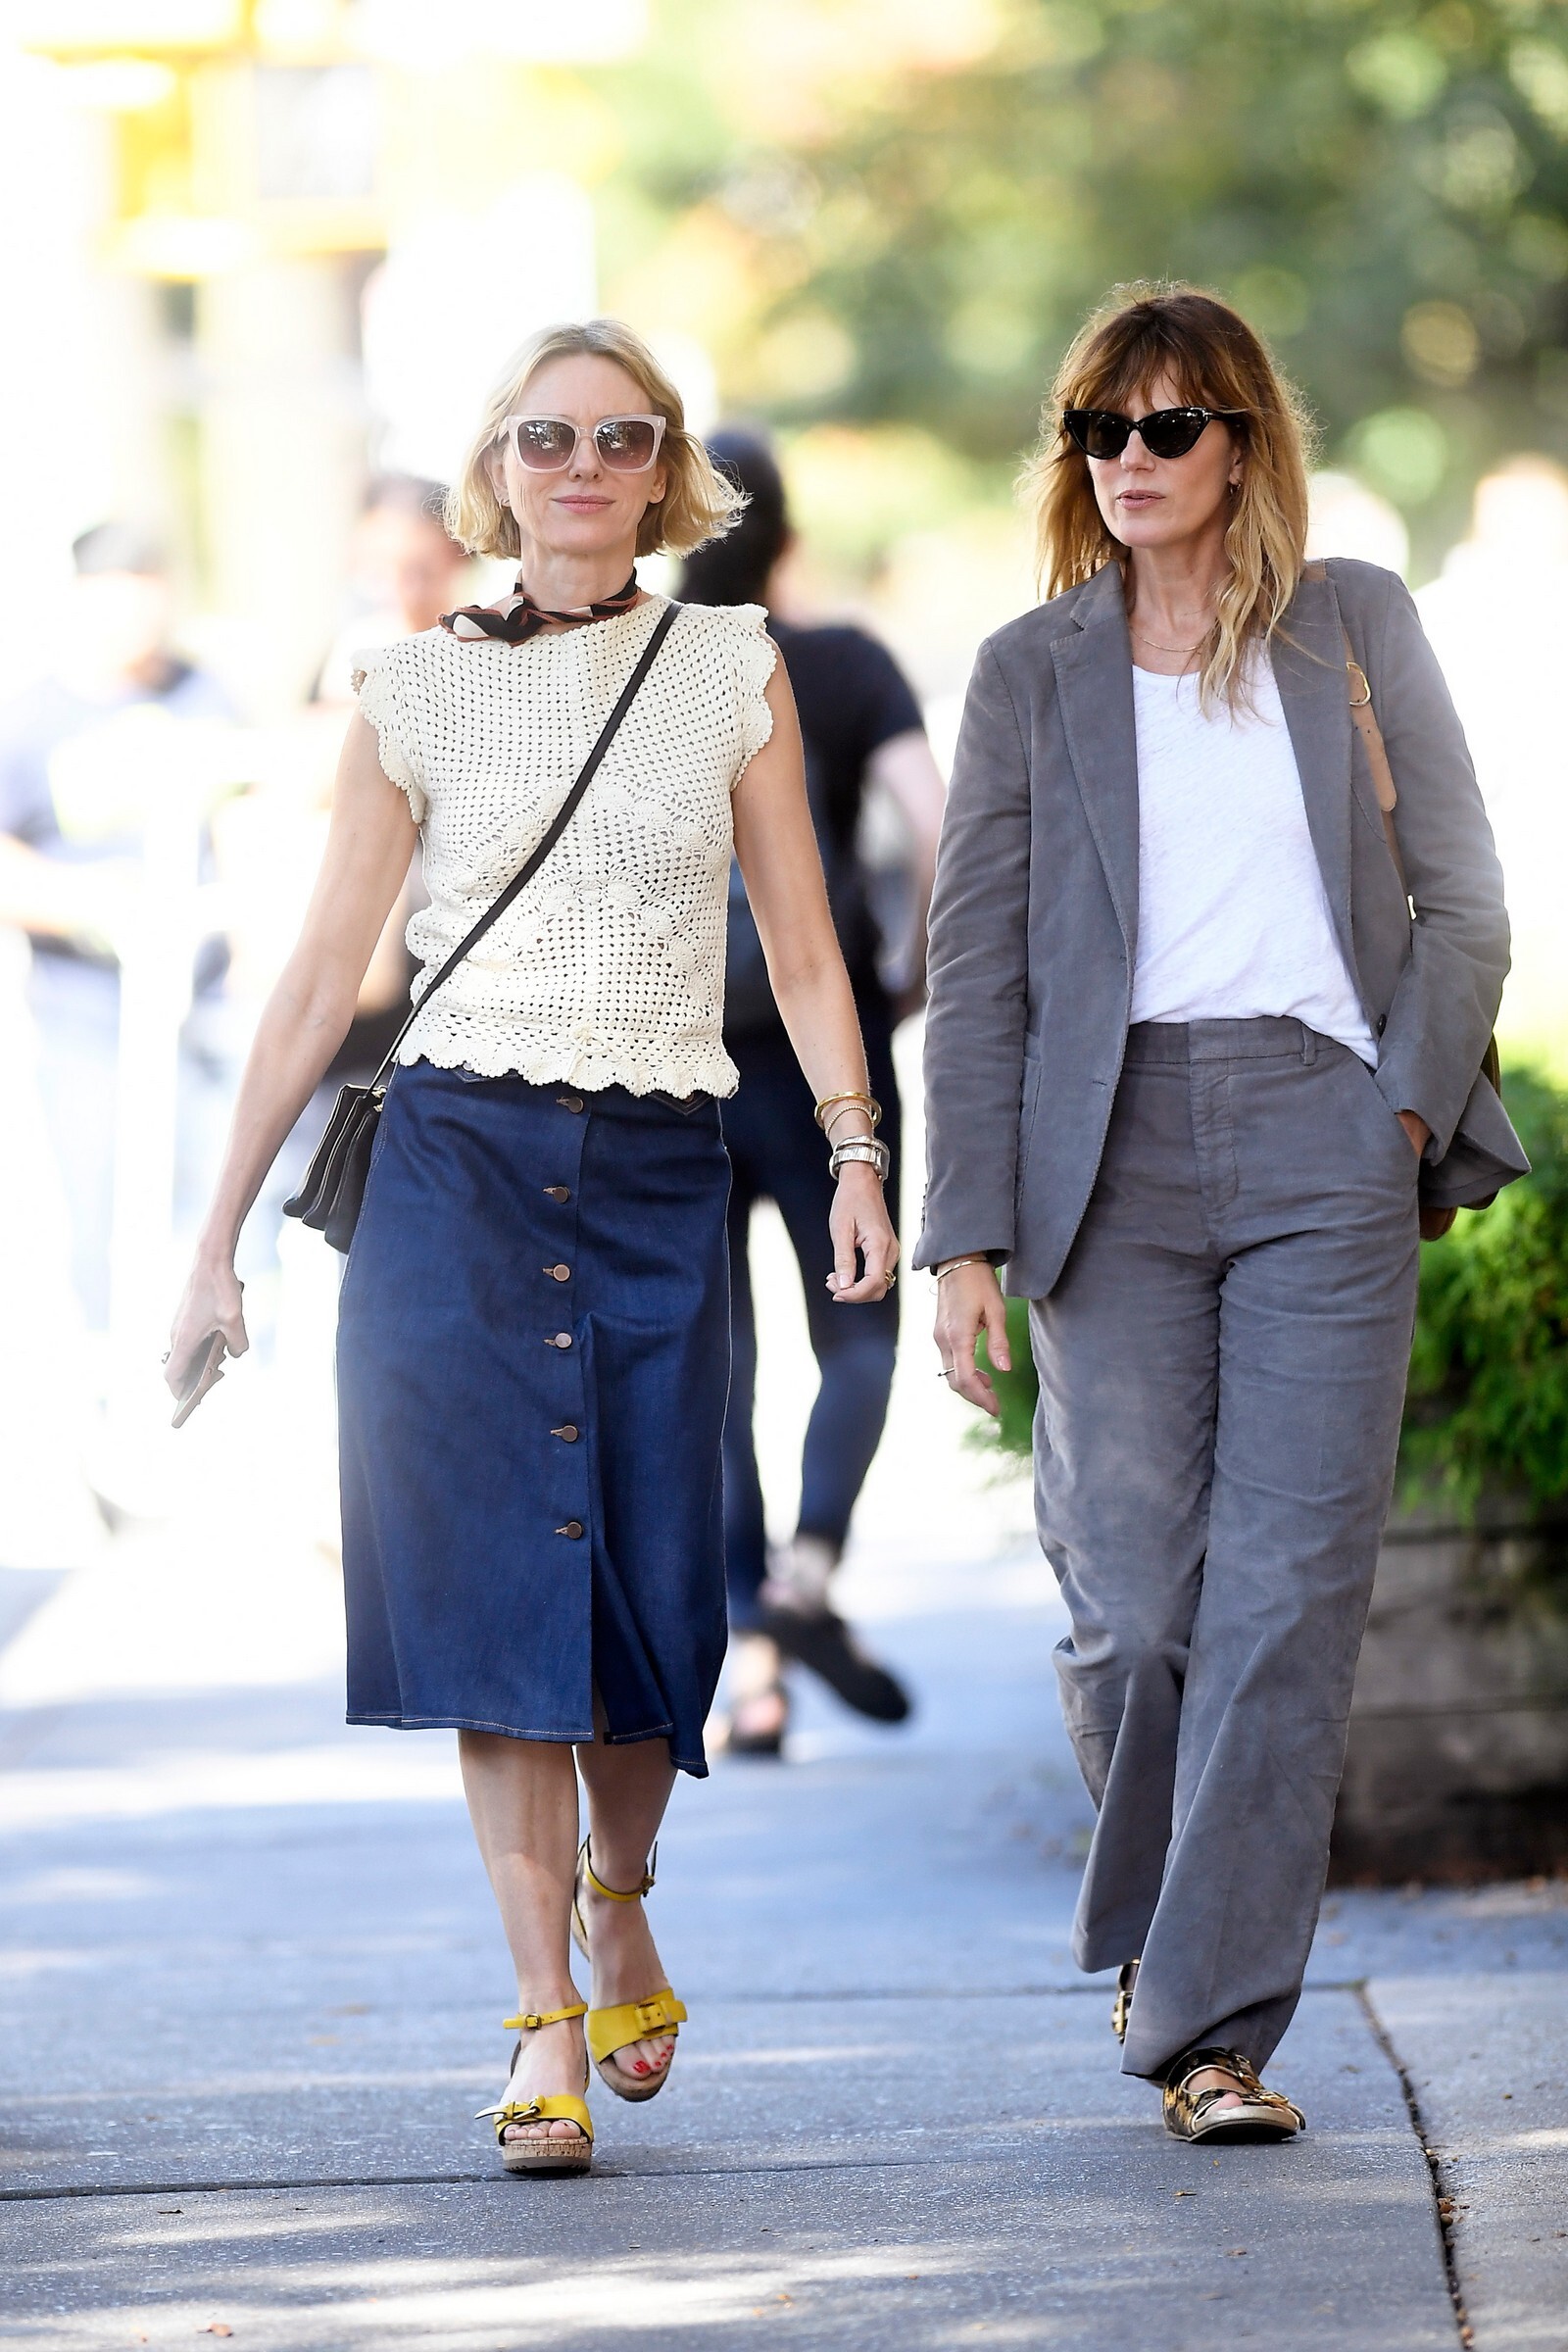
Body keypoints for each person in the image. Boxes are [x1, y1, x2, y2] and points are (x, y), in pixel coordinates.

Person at [165, 318, 899, 2176]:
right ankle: (541, 2012)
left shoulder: (729, 666)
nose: (583, 467)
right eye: (549, 437)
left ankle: (620, 1888)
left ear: (666, 472)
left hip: (656, 1164)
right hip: (455, 1174)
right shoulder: (408, 687)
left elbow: (806, 948)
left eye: (622, 438)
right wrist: (214, 1235)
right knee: (497, 1599)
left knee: (654, 1581)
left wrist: (854, 1152)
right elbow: (319, 975)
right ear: (498, 466)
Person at [917, 286, 1526, 2141]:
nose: (1130, 458)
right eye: (1100, 428)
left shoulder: (1355, 624)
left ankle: (1211, 2034)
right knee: (1131, 1610)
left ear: (1244, 442)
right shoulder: (1032, 671)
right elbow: (979, 966)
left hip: (1324, 1138)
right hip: (1109, 1157)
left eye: (1169, 425)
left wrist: (1398, 1110)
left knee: (1286, 1610)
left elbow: (1466, 898)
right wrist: (962, 1235)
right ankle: (1166, 1942)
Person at [678, 433, 946, 1754]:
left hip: (680, 1052)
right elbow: (934, 827)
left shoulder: (647, 666)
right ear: (785, 540)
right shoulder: (841, 664)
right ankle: (810, 1571)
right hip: (821, 1044)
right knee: (858, 1319)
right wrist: (907, 972)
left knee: (714, 1355)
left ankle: (753, 1667)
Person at [0, 524, 232, 1336]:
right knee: (106, 1221)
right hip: (90, 1022)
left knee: (218, 1215)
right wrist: (91, 903)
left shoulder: (205, 697)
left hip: (209, 1009)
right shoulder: (33, 717)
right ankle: (112, 1371)